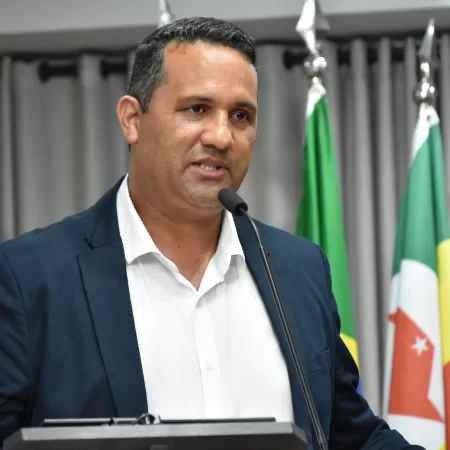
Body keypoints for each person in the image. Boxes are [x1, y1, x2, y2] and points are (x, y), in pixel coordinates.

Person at [0, 17, 424, 450]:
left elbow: (352, 436)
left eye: (241, 115)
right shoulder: (29, 278)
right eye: (197, 109)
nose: (222, 137)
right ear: (132, 119)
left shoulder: (299, 270)